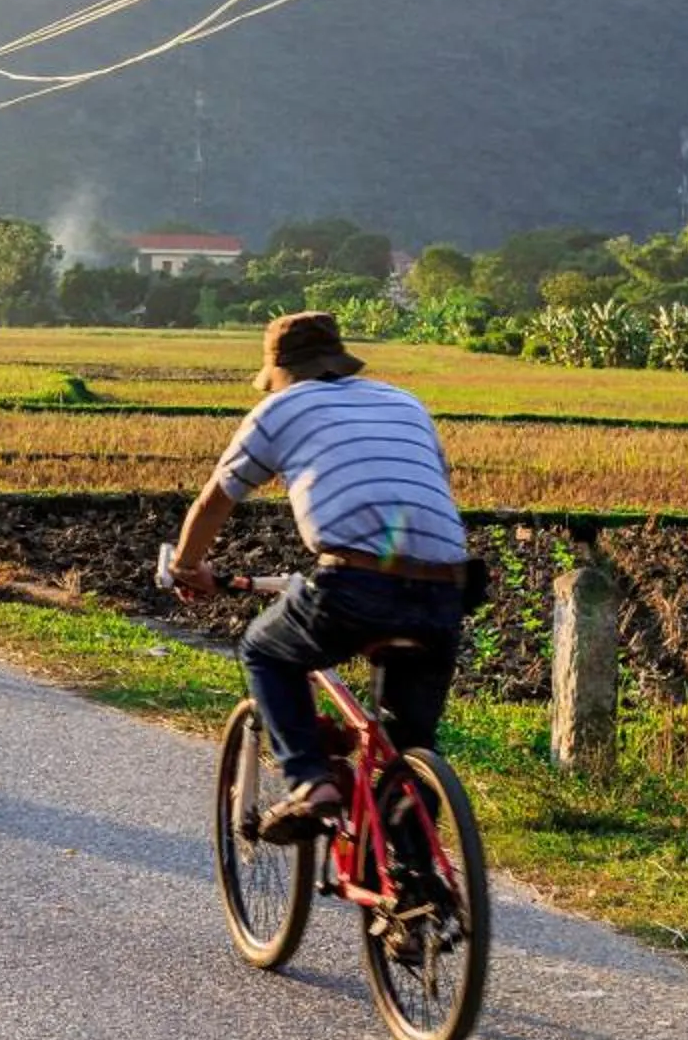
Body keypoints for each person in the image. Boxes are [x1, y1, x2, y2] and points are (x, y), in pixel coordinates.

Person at [168, 311, 468, 841]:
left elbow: (215, 500)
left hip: (357, 584)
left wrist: (187, 567)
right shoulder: (405, 403)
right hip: (446, 589)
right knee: (408, 745)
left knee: (264, 649)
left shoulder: (279, 409)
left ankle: (311, 781)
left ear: (280, 371)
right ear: (338, 360)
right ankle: (417, 878)